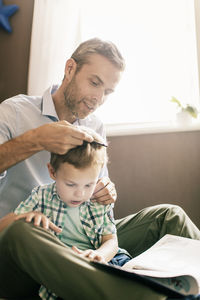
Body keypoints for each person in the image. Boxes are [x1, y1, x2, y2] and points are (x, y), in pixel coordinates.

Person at [0, 38, 200, 300]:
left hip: (80, 241)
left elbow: (98, 209)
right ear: (70, 68)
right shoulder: (14, 111)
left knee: (168, 216)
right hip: (20, 246)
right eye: (94, 83)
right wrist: (37, 139)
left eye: (108, 91)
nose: (98, 98)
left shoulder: (95, 125)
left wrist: (103, 191)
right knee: (22, 228)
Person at [12, 127, 131, 300]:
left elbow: (111, 241)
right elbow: (14, 226)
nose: (80, 194)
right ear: (52, 172)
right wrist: (28, 220)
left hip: (100, 260)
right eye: (71, 184)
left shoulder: (98, 201)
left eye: (89, 185)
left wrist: (100, 255)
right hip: (64, 267)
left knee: (124, 272)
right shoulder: (40, 196)